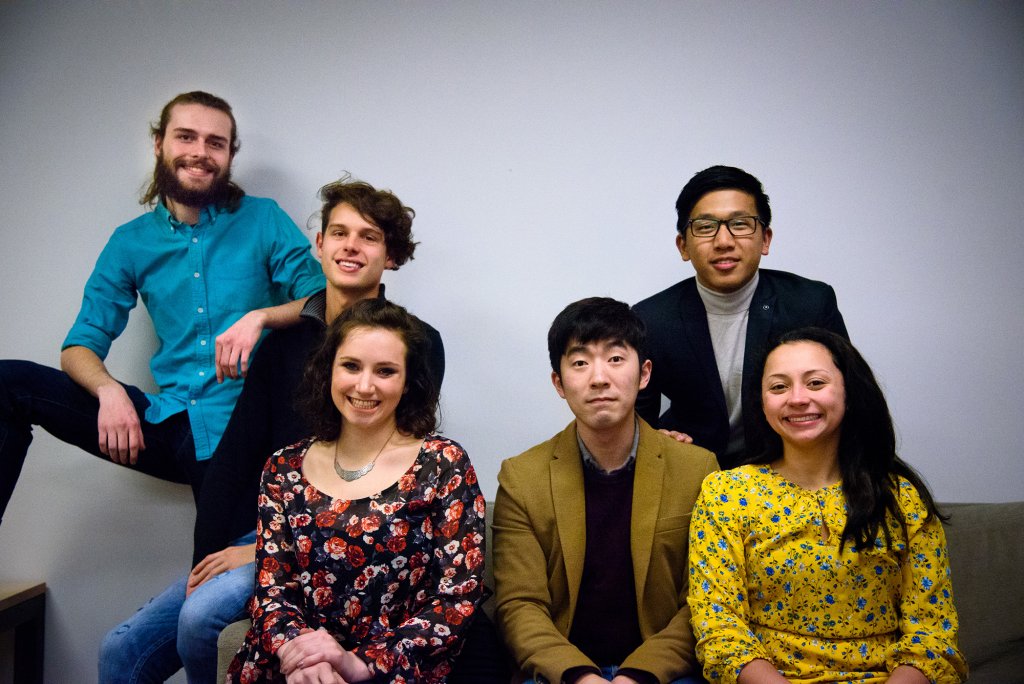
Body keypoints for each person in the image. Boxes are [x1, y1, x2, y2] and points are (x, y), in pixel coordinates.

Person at [98, 178, 449, 683]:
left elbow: (384, 472)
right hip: (262, 531)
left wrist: (266, 549)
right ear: (319, 245)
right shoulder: (284, 346)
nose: (351, 245)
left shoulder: (414, 345)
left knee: (200, 618)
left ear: (391, 255)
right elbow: (236, 457)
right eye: (339, 232)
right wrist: (206, 559)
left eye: (369, 236)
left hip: (335, 539)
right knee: (120, 651)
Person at [0, 91, 323, 523]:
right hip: (168, 423)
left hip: (245, 428)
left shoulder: (264, 219)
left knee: (216, 578)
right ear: (159, 144)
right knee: (9, 384)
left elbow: (324, 302)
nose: (200, 153)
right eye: (186, 137)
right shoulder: (129, 242)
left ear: (229, 155)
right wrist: (109, 391)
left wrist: (260, 316)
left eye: (215, 142)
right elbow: (78, 347)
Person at [227, 298, 486, 683]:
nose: (365, 386)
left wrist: (357, 663)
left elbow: (458, 599)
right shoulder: (282, 468)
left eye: (385, 371)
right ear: (327, 370)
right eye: (351, 366)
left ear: (408, 382)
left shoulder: (443, 463)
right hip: (297, 666)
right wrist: (301, 656)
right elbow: (272, 593)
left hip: (398, 667)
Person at [688, 327, 967, 684]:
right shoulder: (726, 494)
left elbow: (932, 634)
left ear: (849, 393)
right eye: (778, 386)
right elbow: (720, 629)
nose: (798, 398)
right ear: (761, 402)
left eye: (815, 383)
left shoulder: (901, 496)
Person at [493, 297, 718, 684]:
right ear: (559, 383)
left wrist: (638, 675)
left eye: (615, 359)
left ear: (644, 374)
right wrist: (580, 676)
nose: (599, 377)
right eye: (580, 363)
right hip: (562, 672)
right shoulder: (522, 478)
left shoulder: (697, 470)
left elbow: (704, 601)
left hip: (664, 673)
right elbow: (520, 604)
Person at [633, 166, 848, 468]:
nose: (724, 241)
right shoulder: (650, 318)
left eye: (740, 224)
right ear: (683, 246)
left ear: (765, 239)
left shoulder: (810, 304)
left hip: (790, 466)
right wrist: (659, 442)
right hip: (694, 467)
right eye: (706, 227)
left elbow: (849, 397)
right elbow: (635, 421)